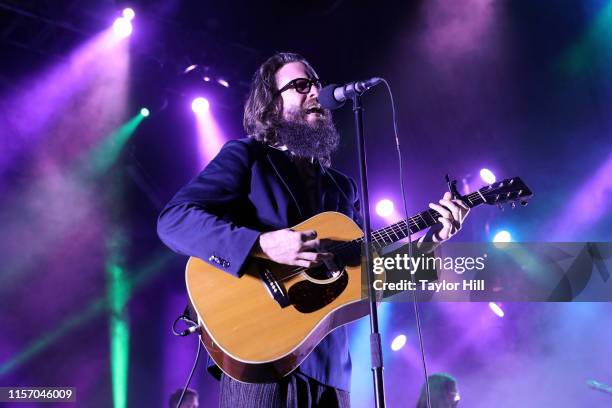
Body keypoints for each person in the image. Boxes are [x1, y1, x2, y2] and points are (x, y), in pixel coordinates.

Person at [157, 52, 470, 408]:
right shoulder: (247, 157)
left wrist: (433, 239)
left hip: (331, 375)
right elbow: (174, 220)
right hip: (261, 359)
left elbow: (375, 277)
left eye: (317, 84)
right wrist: (260, 244)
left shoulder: (342, 187)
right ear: (272, 106)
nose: (315, 92)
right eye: (300, 85)